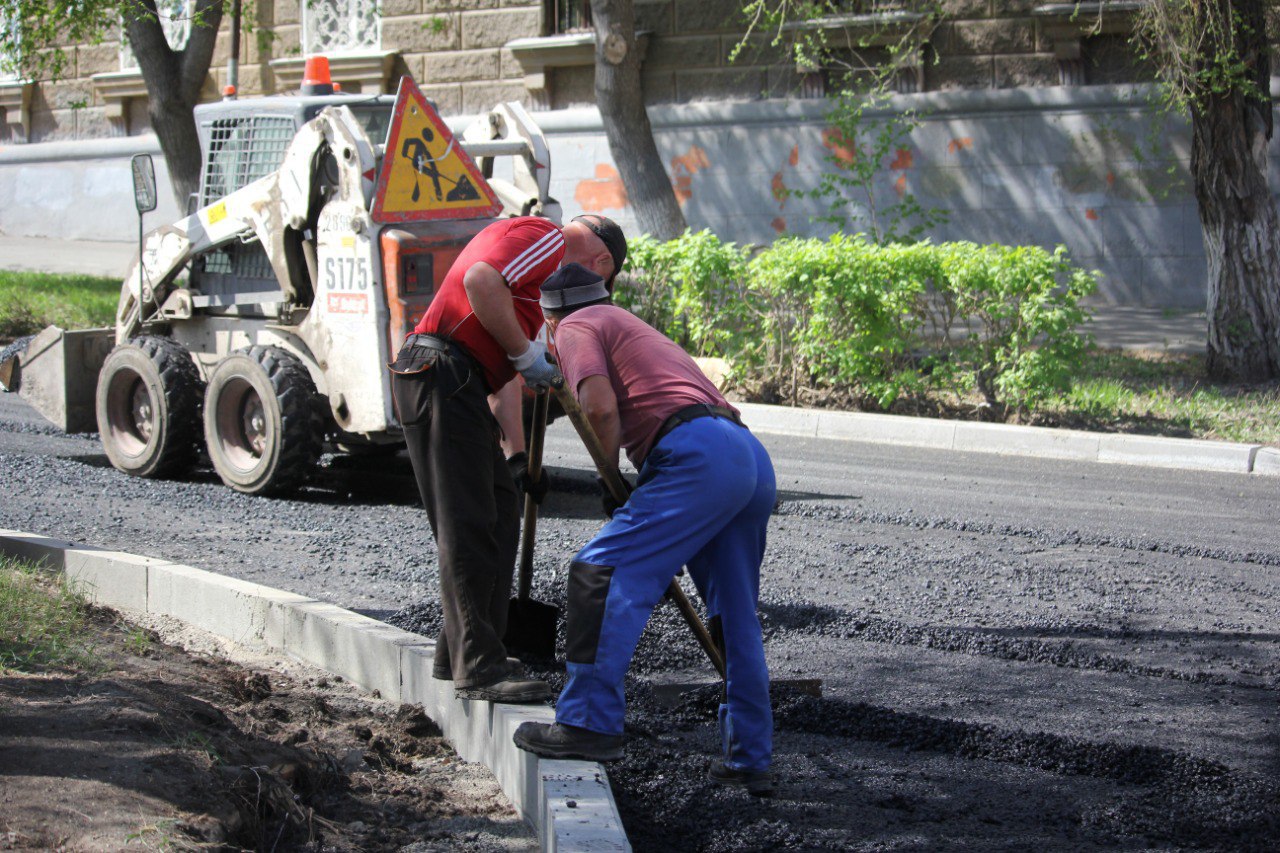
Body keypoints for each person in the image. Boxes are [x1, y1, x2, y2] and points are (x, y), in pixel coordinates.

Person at [512, 264, 777, 796]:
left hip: (697, 457)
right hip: (744, 453)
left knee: (600, 570)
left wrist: (609, 480)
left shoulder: (574, 327)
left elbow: (600, 408)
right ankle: (750, 754)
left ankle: (588, 722)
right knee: (732, 615)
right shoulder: (629, 323)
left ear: (549, 314)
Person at [389, 215, 627, 703]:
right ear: (601, 262)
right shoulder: (550, 239)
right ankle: (479, 668)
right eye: (598, 284)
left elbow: (502, 384)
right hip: (442, 371)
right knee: (470, 524)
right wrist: (524, 354)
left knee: (498, 512)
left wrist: (517, 459)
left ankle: (463, 650)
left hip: (459, 379)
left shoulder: (530, 280)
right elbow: (480, 281)